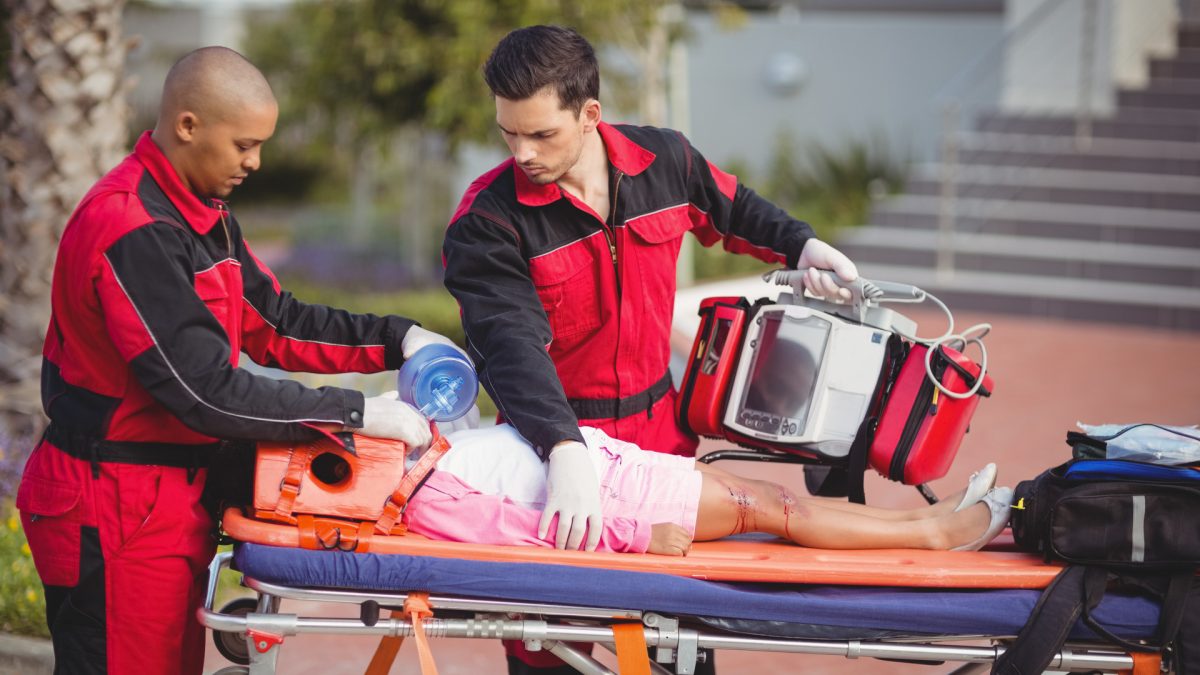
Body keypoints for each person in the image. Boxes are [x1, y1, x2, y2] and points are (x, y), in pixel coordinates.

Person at [15, 47, 459, 675]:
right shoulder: (131, 226)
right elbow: (203, 391)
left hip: (164, 496)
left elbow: (275, 323)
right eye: (244, 145)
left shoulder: (206, 215)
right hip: (111, 501)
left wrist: (400, 338)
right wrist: (355, 412)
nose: (255, 162)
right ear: (188, 126)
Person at [442, 25, 861, 671]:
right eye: (509, 133)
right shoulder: (487, 221)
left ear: (589, 115)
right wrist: (563, 448)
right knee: (548, 645)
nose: (521, 152)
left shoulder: (664, 160)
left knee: (680, 640)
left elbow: (733, 207)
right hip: (550, 452)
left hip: (660, 442)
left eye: (541, 133)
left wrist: (800, 244)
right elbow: (509, 345)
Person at [406, 424, 1012, 555]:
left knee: (776, 498)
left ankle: (918, 520)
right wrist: (638, 536)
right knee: (780, 511)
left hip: (619, 464)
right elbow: (523, 530)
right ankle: (938, 535)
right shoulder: (422, 498)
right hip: (624, 501)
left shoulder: (420, 452)